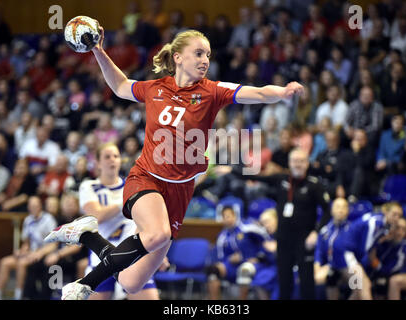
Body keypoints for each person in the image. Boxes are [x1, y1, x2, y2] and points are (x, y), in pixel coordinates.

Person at [44, 26, 303, 300]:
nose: (205, 60)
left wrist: (282, 92)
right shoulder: (156, 88)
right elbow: (120, 86)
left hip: (181, 191)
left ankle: (87, 236)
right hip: (146, 178)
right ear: (178, 57)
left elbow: (259, 93)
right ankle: (83, 285)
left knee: (132, 283)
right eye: (199, 53)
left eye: (208, 55)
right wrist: (98, 50)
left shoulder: (212, 91)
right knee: (157, 235)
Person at [236, 148, 331, 299]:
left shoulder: (314, 185)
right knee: (284, 279)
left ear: (307, 163)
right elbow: (257, 176)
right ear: (289, 163)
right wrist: (231, 169)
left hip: (305, 239)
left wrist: (316, 232)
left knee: (306, 280)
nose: (298, 164)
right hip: (284, 239)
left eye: (301, 161)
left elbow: (328, 211)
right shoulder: (281, 179)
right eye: (295, 161)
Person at [77, 142, 161, 300]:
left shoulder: (131, 185)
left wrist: (157, 252)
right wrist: (129, 199)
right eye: (107, 157)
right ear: (98, 162)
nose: (112, 160)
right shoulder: (88, 186)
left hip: (132, 256)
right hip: (101, 258)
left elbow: (145, 223)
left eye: (116, 156)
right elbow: (97, 216)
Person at [0, 196, 57, 300]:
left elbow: (54, 243)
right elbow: (27, 242)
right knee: (4, 262)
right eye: (31, 206)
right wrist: (22, 251)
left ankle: (19, 295)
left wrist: (39, 253)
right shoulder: (28, 220)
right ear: (28, 207)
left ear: (40, 206)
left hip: (43, 254)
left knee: (21, 263)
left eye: (35, 205)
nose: (33, 208)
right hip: (30, 254)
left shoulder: (48, 219)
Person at [206, 206, 269, 300]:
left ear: (235, 216)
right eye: (225, 217)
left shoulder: (247, 227)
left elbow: (266, 239)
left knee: (244, 270)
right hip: (231, 265)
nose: (227, 219)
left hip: (250, 262)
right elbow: (219, 256)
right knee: (213, 272)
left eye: (229, 216)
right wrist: (228, 260)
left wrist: (259, 257)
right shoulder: (222, 236)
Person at [314, 197, 351, 300]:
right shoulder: (325, 231)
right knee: (322, 277)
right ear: (332, 210)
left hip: (349, 267)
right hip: (331, 267)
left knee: (357, 282)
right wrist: (317, 264)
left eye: (344, 207)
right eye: (338, 207)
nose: (341, 210)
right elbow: (319, 251)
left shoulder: (352, 230)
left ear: (348, 211)